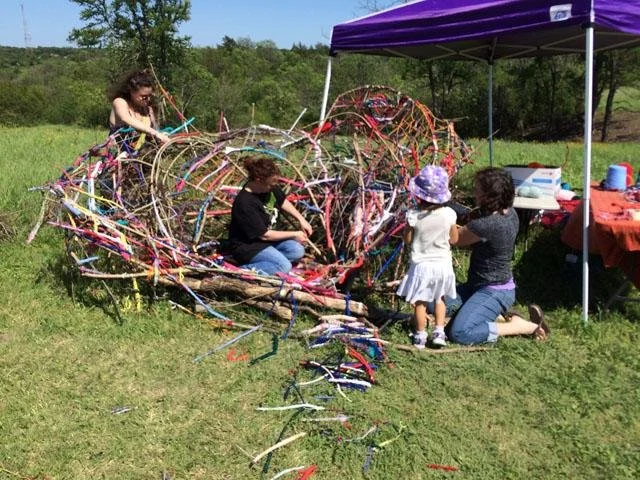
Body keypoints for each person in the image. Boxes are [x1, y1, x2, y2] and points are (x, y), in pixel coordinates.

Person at [446, 167, 550, 344]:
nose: (474, 192)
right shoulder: (510, 212)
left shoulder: (487, 224)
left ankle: (520, 326)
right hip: (475, 286)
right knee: (433, 303)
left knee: (459, 332)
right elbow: (470, 216)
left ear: (488, 196)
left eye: (478, 189)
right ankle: (494, 316)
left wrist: (443, 213)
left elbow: (454, 239)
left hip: (495, 291)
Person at [396, 165, 459, 349]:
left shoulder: (413, 215)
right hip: (443, 265)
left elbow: (408, 240)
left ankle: (420, 335)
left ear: (419, 195)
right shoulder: (449, 214)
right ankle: (439, 332)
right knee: (440, 298)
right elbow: (454, 239)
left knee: (420, 302)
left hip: (421, 266)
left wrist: (409, 229)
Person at [228, 156, 313, 276]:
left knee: (297, 250)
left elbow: (282, 201)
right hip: (248, 247)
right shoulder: (244, 203)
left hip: (267, 243)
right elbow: (265, 235)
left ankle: (268, 263)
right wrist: (295, 234)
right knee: (283, 266)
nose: (273, 187)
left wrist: (301, 219)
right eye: (270, 184)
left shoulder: (269, 188)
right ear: (258, 180)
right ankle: (239, 271)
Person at [108, 70, 170, 147]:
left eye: (149, 96)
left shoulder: (148, 110)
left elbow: (155, 131)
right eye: (144, 97)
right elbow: (126, 118)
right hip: (119, 152)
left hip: (143, 152)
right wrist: (155, 133)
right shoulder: (119, 102)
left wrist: (161, 135)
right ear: (131, 91)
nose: (148, 99)